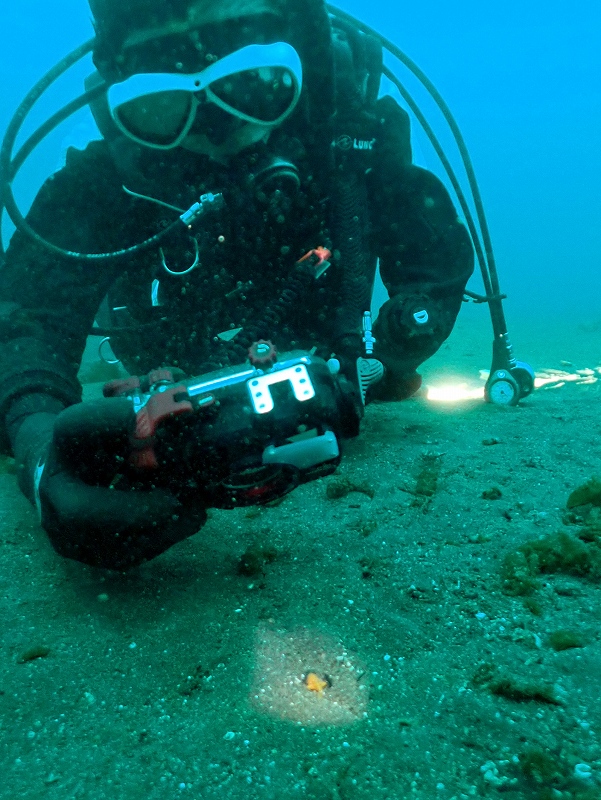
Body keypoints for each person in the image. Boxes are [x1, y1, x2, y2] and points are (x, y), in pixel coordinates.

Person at [0, 0, 474, 570]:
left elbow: (431, 263)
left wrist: (388, 352)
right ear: (121, 102)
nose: (218, 131)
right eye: (161, 106)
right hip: (157, 367)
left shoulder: (350, 147)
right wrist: (41, 451)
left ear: (301, 62)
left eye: (251, 87)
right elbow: (26, 315)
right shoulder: (99, 185)